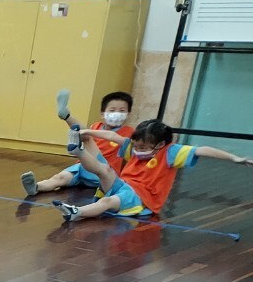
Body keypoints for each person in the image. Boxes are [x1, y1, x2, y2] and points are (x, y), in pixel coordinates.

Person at [52, 119, 251, 222]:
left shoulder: (170, 152)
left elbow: (203, 150)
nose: (137, 150)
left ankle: (76, 212)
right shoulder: (134, 146)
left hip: (142, 197)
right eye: (136, 146)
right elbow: (111, 136)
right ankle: (79, 152)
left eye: (143, 148)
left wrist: (234, 158)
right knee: (104, 169)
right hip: (123, 186)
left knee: (107, 201)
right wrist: (87, 132)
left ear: (160, 144)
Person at [21, 90, 134, 198]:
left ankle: (67, 116)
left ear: (128, 114)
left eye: (122, 111)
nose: (117, 114)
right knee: (59, 178)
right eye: (112, 110)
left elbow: (113, 138)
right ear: (102, 114)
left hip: (104, 172)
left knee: (87, 137)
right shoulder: (96, 126)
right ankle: (36, 187)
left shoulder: (129, 132)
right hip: (83, 167)